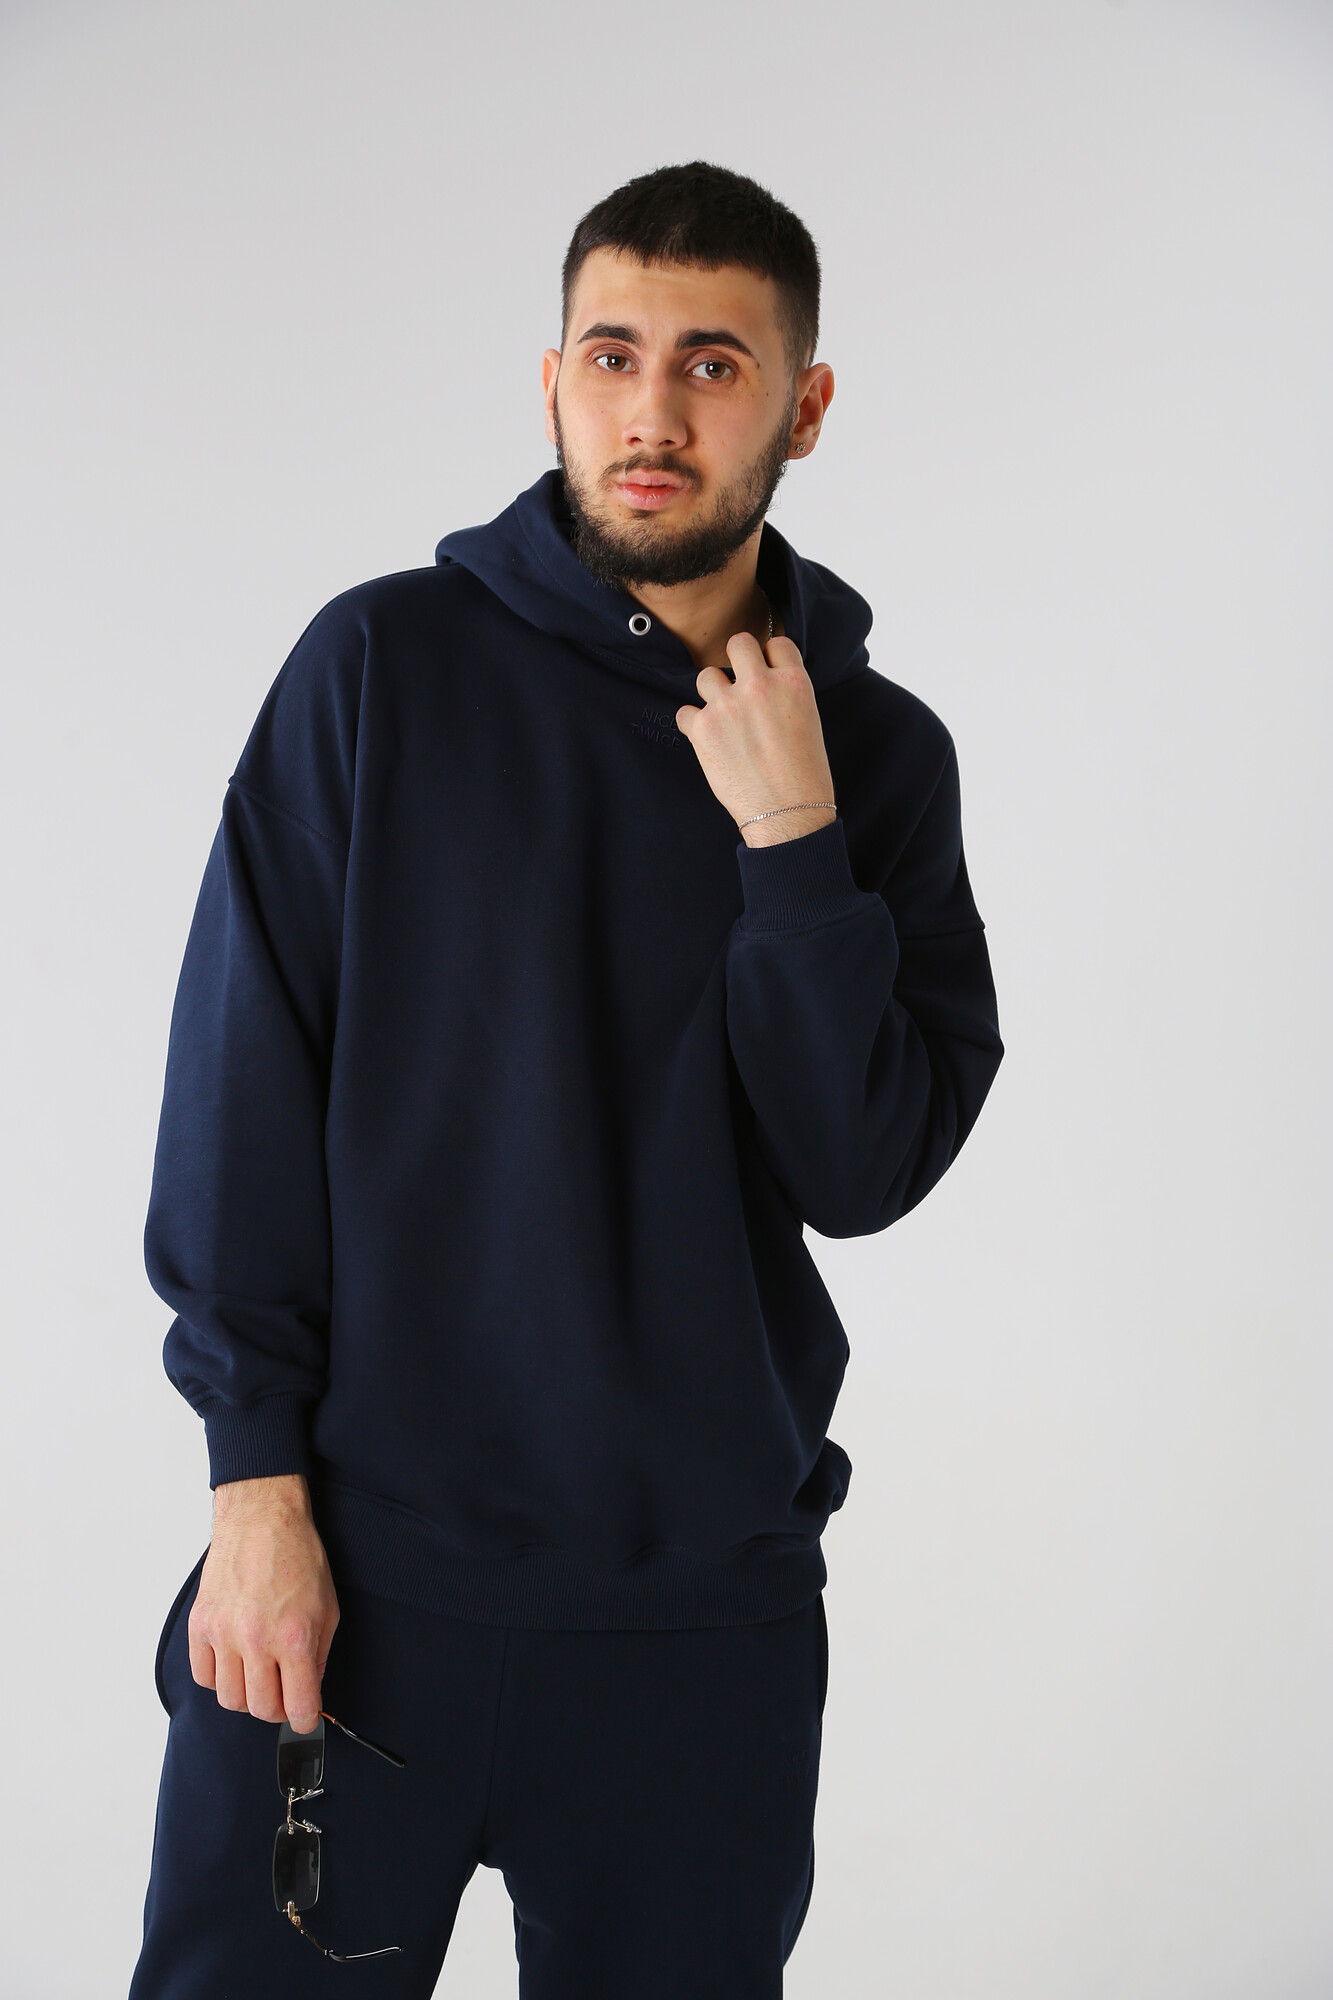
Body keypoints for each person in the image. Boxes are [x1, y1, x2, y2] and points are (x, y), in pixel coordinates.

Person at [129, 159, 1004, 1999]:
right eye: (612, 357)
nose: (650, 412)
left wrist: (792, 848)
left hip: (700, 1629)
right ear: (551, 382)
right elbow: (240, 1088)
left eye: (711, 364)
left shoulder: (874, 757)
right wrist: (252, 1489)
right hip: (352, 1593)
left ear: (803, 407)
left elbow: (862, 1166)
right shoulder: (381, 666)